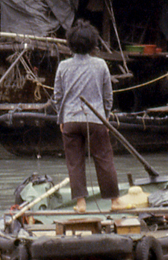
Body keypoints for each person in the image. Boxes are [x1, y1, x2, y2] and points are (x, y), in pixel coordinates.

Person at [54, 20, 125, 213]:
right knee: (104, 158)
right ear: (93, 43)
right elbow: (108, 96)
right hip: (95, 120)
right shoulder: (101, 65)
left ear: (70, 44)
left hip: (70, 120)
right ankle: (114, 201)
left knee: (74, 162)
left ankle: (80, 203)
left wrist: (61, 119)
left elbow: (57, 97)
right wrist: (106, 117)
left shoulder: (63, 66)